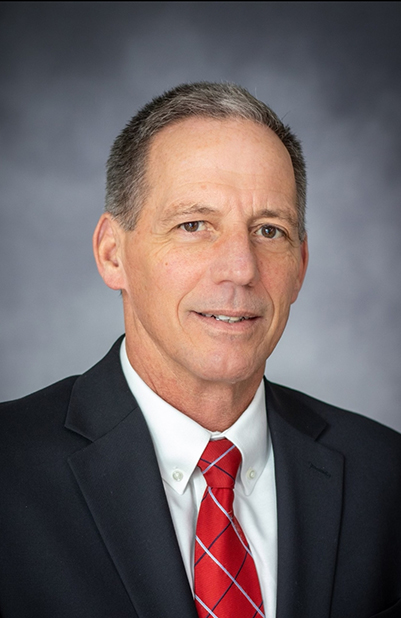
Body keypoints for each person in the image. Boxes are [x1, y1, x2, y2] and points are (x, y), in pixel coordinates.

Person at [0, 82, 400, 618]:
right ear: (112, 253)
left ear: (300, 267)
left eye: (269, 230)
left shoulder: (387, 476)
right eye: (194, 225)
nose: (241, 267)